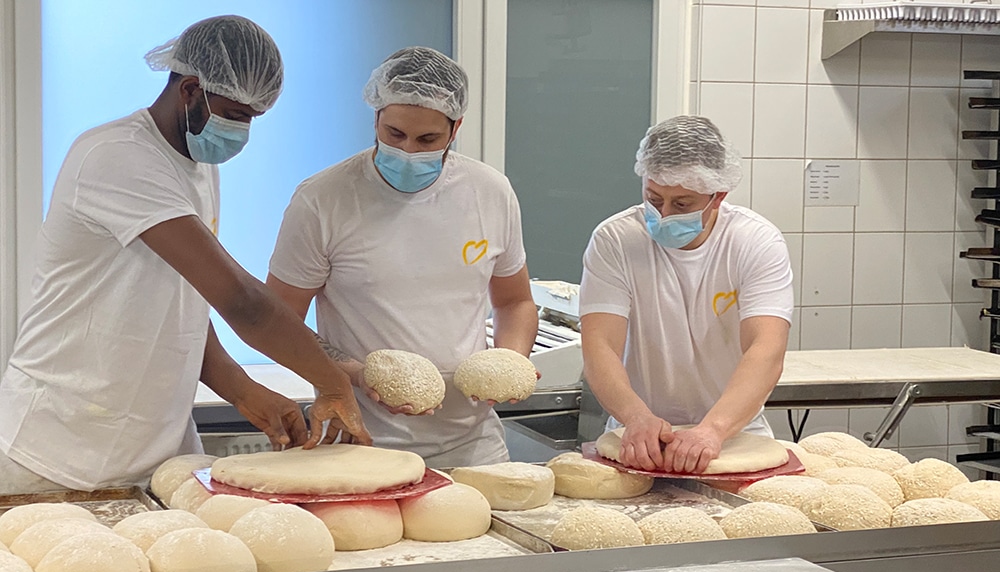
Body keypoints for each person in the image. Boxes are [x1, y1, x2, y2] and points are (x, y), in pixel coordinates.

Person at [0, 15, 371, 494]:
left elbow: (184, 303)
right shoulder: (118, 157)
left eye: (252, 119)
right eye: (236, 115)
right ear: (191, 89)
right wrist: (333, 383)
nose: (242, 132)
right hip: (63, 448)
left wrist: (243, 390)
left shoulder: (196, 166)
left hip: (156, 448)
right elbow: (241, 301)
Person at [266, 46, 538, 468]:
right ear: (375, 119)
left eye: (427, 139)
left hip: (474, 446)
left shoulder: (489, 192)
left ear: (456, 127)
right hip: (361, 442)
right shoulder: (323, 200)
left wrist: (511, 359)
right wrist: (355, 374)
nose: (409, 150)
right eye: (394, 134)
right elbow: (278, 320)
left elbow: (514, 301)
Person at [580, 115, 793, 475]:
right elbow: (600, 345)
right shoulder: (616, 240)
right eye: (654, 198)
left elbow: (766, 349)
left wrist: (713, 429)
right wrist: (635, 416)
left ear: (718, 197)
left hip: (733, 437)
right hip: (638, 436)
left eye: (681, 204)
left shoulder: (754, 241)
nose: (663, 215)